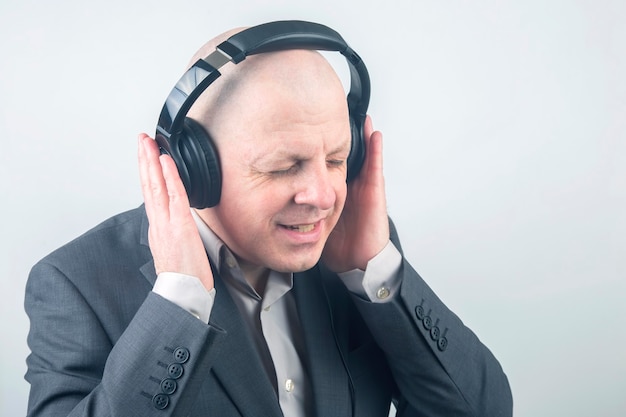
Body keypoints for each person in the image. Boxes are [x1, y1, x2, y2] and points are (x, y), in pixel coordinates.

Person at [24, 21, 513, 417]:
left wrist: (377, 271)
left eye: (339, 159)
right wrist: (180, 303)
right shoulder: (75, 285)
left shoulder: (354, 253)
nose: (323, 196)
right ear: (194, 169)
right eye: (283, 166)